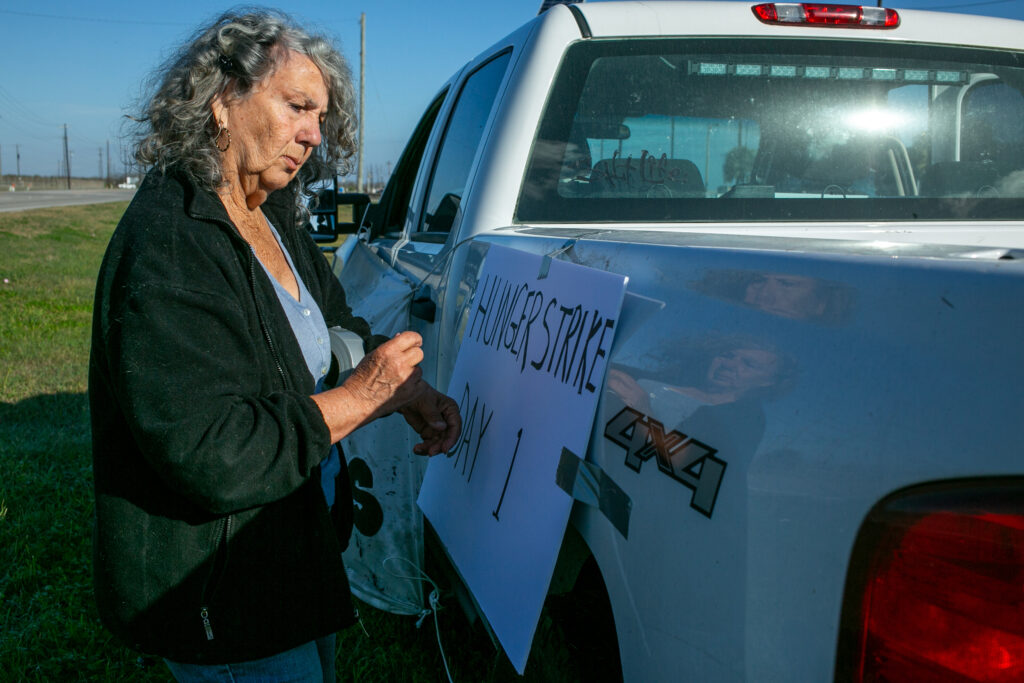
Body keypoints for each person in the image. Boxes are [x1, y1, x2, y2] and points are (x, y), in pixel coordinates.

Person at [88, 10, 461, 682]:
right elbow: (215, 452)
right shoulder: (171, 245)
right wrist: (358, 398)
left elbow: (337, 330)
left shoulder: (270, 212)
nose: (314, 134)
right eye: (297, 106)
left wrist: (407, 392)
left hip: (295, 553)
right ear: (221, 101)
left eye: (319, 116)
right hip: (224, 592)